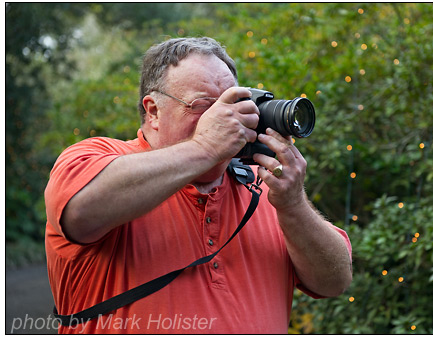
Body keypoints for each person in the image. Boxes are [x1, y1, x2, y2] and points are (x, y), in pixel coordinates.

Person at [45, 37, 352, 334]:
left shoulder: (265, 186)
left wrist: (294, 204)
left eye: (232, 103)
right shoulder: (97, 157)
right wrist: (206, 147)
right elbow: (80, 213)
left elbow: (334, 281)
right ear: (153, 111)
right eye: (204, 105)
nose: (225, 117)